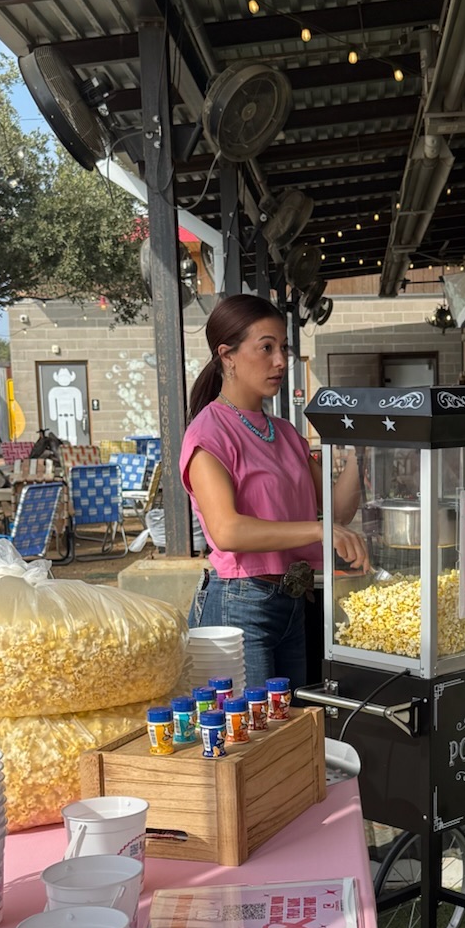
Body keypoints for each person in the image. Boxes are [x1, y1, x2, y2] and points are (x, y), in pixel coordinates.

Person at [181, 295, 367, 689]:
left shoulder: (284, 432)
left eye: (284, 348)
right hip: (239, 605)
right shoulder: (208, 434)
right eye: (266, 348)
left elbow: (338, 511)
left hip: (291, 602)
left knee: (291, 721)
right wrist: (318, 530)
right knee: (256, 725)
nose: (281, 361)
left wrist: (359, 447)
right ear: (227, 356)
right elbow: (227, 531)